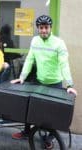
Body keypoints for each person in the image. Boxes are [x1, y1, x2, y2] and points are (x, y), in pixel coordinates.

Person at [10, 15, 77, 149]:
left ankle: (49, 137)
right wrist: (22, 77)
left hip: (55, 84)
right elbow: (29, 59)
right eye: (41, 28)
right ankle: (27, 131)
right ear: (38, 29)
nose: (44, 30)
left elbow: (64, 64)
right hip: (39, 82)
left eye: (46, 27)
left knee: (53, 114)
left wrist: (69, 84)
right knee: (30, 107)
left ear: (50, 28)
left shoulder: (59, 43)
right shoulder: (35, 41)